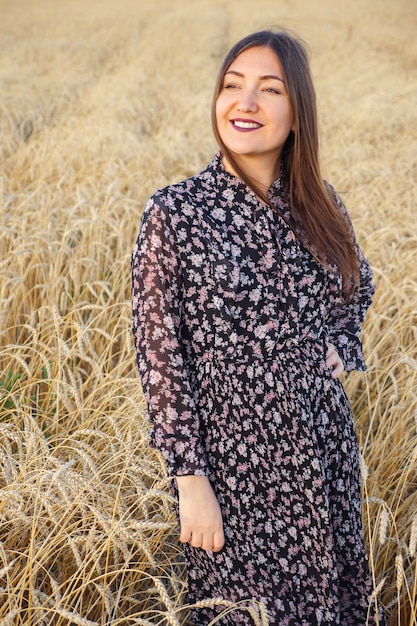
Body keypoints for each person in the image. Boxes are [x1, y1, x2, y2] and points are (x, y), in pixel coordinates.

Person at [131, 28, 386, 626]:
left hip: (322, 456)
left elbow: (358, 282)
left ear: (297, 113)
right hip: (232, 471)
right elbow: (158, 357)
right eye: (232, 86)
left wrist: (340, 343)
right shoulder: (175, 213)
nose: (245, 103)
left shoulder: (320, 205)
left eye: (268, 90)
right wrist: (190, 482)